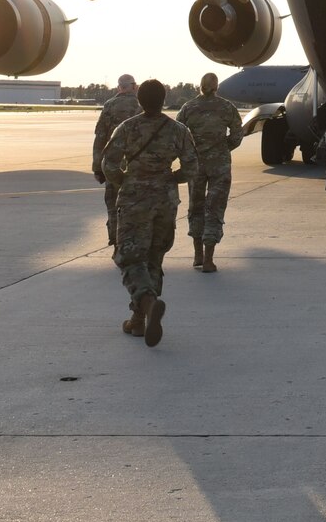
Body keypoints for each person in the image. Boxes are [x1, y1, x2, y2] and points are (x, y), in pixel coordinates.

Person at [98, 78, 201, 346]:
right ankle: (138, 320)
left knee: (130, 257)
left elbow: (108, 164)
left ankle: (146, 300)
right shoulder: (178, 130)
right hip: (166, 200)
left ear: (139, 101)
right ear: (164, 100)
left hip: (135, 199)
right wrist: (168, 179)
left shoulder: (127, 128)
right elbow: (192, 168)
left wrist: (127, 181)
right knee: (154, 258)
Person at [175, 72, 243, 272]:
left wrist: (192, 152)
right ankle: (208, 259)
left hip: (196, 164)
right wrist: (223, 148)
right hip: (219, 165)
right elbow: (238, 133)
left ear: (200, 86)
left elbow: (179, 133)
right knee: (214, 207)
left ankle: (197, 254)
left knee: (196, 206)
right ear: (217, 86)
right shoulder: (226, 107)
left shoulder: (188, 107)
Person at [91, 75, 142, 245]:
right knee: (135, 205)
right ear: (134, 86)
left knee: (113, 205)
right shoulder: (140, 105)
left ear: (119, 87)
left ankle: (115, 241)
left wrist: (97, 167)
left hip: (113, 164)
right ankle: (132, 241)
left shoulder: (109, 105)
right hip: (136, 165)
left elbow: (100, 138)